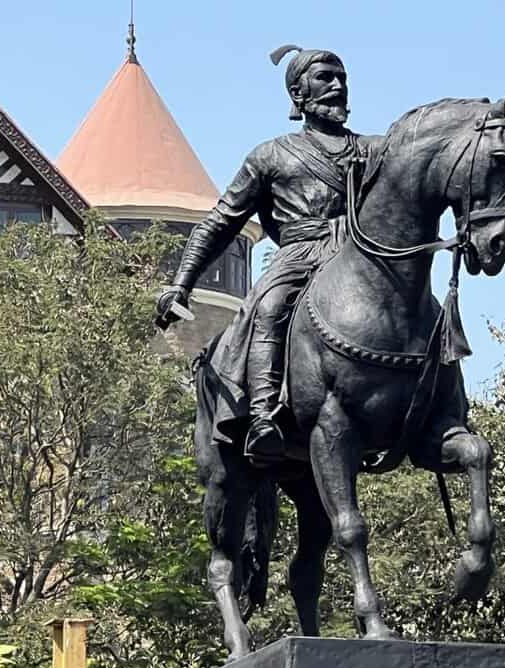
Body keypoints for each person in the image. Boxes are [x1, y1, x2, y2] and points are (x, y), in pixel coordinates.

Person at [156, 45, 370, 461]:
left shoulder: (372, 151)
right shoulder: (271, 156)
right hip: (300, 255)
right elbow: (221, 223)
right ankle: (263, 416)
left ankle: (440, 405)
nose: (337, 86)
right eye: (325, 78)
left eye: (341, 78)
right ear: (298, 93)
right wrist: (181, 285)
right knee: (269, 308)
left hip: (356, 255)